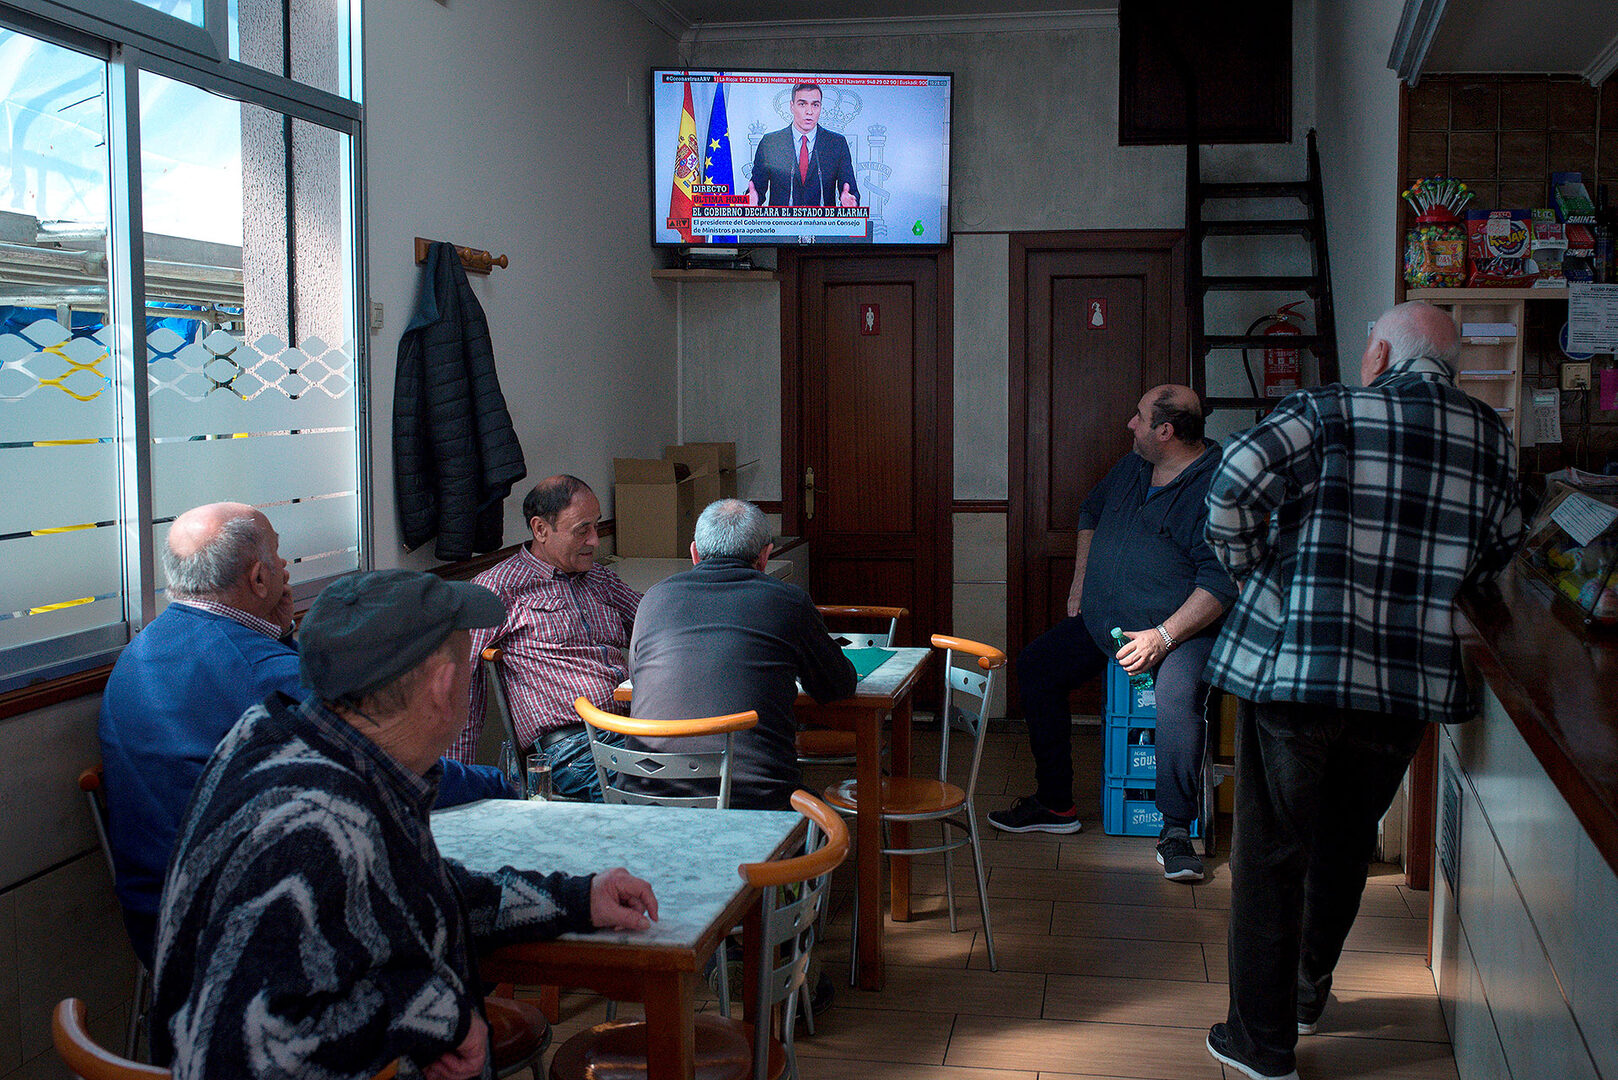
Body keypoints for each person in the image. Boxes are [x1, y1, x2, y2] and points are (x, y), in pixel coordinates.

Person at [149, 569, 659, 1080]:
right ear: (444, 687)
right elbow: (231, 1049)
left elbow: (412, 892)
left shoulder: (296, 745)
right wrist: (431, 1019)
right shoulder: (313, 822)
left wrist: (576, 899)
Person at [1202, 301, 1521, 1080]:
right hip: (1407, 685)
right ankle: (1307, 995)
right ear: (1451, 367)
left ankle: (1262, 1043)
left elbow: (1233, 478)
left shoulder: (1328, 409)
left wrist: (1255, 569)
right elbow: (1504, 544)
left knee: (1272, 855)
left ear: (1378, 355)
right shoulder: (1489, 435)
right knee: (1344, 846)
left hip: (1302, 674)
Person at [97, 502, 508, 968]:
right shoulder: (263, 673)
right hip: (244, 935)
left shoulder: (141, 651)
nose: (286, 567)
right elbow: (393, 760)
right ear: (259, 578)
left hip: (156, 914)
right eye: (278, 554)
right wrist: (500, 784)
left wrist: (280, 634)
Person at [989, 385, 1235, 884]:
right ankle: (1055, 804)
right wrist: (1081, 580)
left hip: (1183, 631)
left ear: (1165, 431)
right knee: (1037, 666)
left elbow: (1221, 583)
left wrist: (1162, 637)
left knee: (1177, 699)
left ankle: (1175, 832)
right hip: (1107, 621)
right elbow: (1091, 511)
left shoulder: (1218, 489)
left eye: (1139, 417)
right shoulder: (1133, 466)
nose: (1130, 424)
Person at [625, 498, 856, 810]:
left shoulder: (653, 599)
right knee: (829, 822)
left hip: (646, 799)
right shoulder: (788, 601)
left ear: (694, 553)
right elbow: (837, 686)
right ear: (765, 556)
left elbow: (636, 678)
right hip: (751, 803)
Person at [450, 475, 641, 801]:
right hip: (571, 748)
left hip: (633, 730)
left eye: (597, 526)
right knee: (650, 793)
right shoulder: (499, 588)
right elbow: (460, 683)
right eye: (582, 530)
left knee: (715, 769)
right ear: (540, 529)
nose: (596, 540)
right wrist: (453, 782)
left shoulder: (599, 579)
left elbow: (654, 625)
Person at [746, 82, 860, 209]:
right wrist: (751, 202)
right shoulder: (770, 143)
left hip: (822, 221)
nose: (809, 111)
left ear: (820, 107)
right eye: (802, 104)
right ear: (792, 106)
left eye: (815, 105)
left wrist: (851, 202)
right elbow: (755, 190)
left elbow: (850, 190)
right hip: (782, 221)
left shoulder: (837, 144)